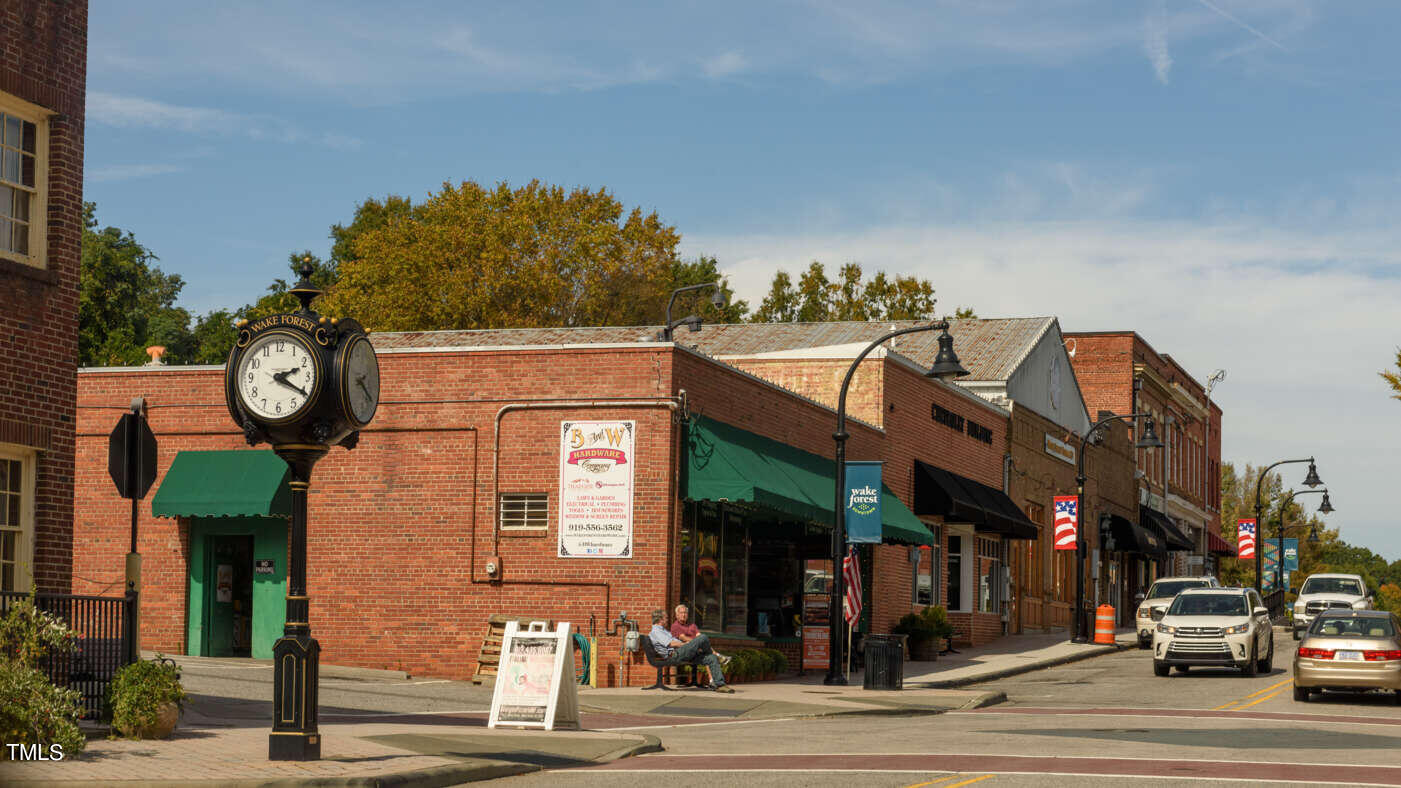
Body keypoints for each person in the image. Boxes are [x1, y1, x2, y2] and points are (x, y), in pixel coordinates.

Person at [649, 609, 734, 693]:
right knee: (703, 637)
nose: (667, 619)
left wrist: (690, 645)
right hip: (675, 655)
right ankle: (717, 656)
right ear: (660, 619)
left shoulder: (663, 630)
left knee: (711, 658)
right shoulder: (656, 631)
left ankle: (720, 685)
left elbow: (676, 642)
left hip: (682, 653)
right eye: (666, 618)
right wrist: (687, 644)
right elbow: (671, 644)